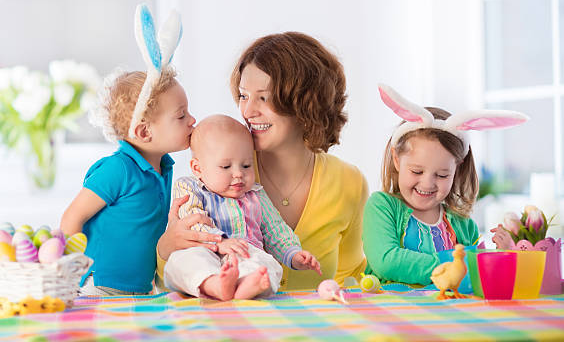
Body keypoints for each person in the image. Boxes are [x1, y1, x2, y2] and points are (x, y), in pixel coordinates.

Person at [60, 5, 217, 295]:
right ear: (144, 132)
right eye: (181, 116)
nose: (192, 120)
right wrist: (75, 270)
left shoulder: (165, 167)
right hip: (100, 287)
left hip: (141, 289)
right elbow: (72, 218)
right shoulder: (116, 169)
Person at [228, 32, 368, 290]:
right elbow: (179, 267)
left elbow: (351, 278)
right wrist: (170, 242)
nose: (247, 112)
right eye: (244, 96)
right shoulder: (225, 170)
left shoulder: (349, 182)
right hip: (239, 326)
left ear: (306, 104)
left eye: (264, 97)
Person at [362, 84, 529, 285]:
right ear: (397, 160)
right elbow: (387, 261)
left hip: (448, 313)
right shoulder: (382, 206)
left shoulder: (463, 224)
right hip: (394, 311)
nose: (427, 183)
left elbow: (476, 277)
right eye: (417, 171)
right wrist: (455, 266)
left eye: (442, 175)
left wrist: (501, 254)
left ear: (456, 169)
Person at [164, 115, 321, 300]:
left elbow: (275, 230)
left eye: (246, 165)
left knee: (266, 265)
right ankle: (214, 284)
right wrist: (219, 242)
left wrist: (294, 254)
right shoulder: (188, 187)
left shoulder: (256, 195)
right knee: (181, 262)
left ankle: (244, 287)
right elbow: (192, 220)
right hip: (204, 250)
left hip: (245, 252)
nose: (238, 173)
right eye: (225, 166)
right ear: (197, 168)